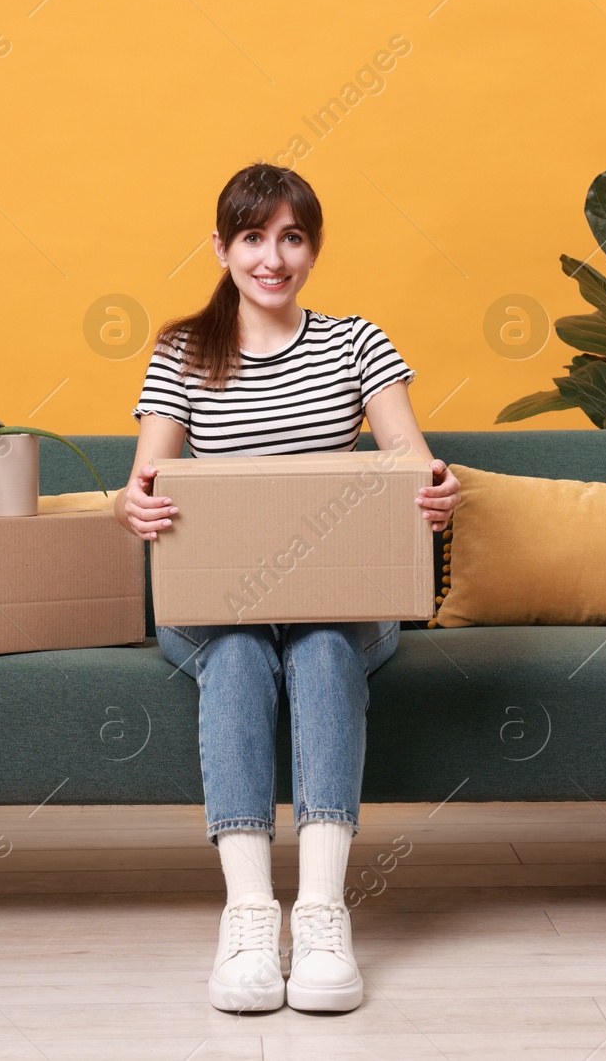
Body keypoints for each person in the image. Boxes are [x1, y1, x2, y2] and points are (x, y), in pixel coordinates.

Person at [116, 163, 460, 1013]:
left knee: (321, 644)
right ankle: (246, 915)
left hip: (339, 600)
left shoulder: (356, 344)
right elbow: (146, 482)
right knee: (236, 651)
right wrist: (136, 506)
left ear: (312, 248)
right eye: (255, 237)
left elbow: (405, 451)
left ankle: (320, 912)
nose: (274, 257)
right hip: (215, 605)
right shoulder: (182, 353)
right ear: (223, 248)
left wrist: (435, 487)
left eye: (293, 237)